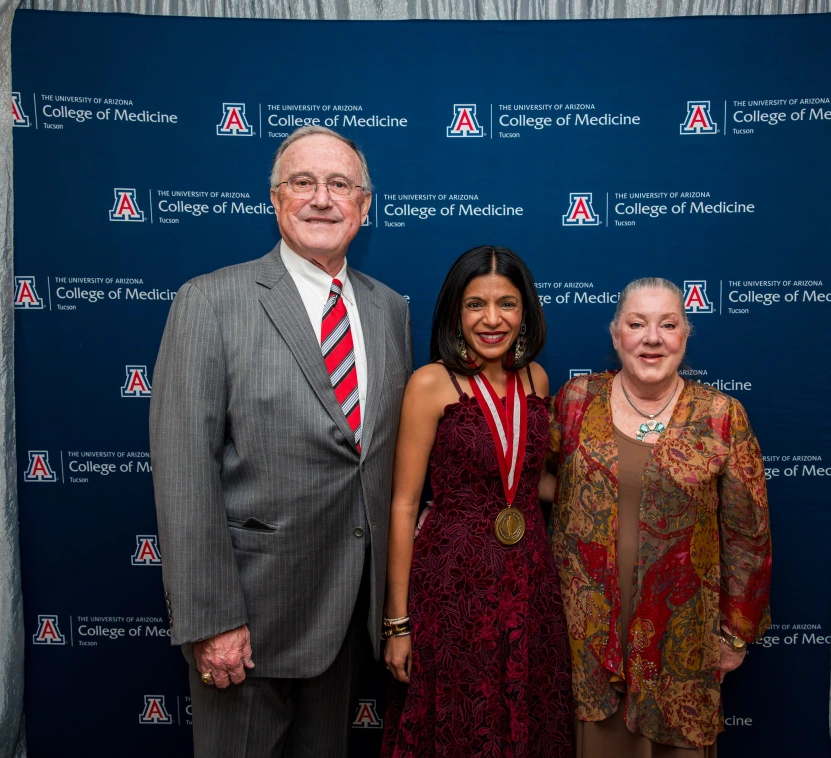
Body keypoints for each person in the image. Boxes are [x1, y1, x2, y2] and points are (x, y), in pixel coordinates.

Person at [149, 125, 413, 758]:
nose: (322, 199)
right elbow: (185, 473)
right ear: (275, 198)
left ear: (364, 206)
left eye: (339, 185)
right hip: (250, 623)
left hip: (348, 621)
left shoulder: (389, 310)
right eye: (304, 183)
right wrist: (212, 620)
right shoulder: (211, 301)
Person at [546, 277, 771, 757]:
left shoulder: (722, 416)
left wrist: (734, 632)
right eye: (637, 324)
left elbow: (748, 535)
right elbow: (533, 481)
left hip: (682, 642)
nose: (652, 338)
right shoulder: (575, 401)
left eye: (668, 324)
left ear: (686, 335)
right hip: (587, 637)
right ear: (615, 335)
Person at [381, 246, 574, 757]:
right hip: (452, 588)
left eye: (507, 304)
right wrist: (398, 623)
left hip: (529, 580)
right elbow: (403, 506)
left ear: (526, 311)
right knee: (460, 723)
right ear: (454, 312)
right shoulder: (430, 384)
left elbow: (526, 482)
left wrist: (615, 483)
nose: (492, 319)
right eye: (475, 305)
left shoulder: (535, 379)